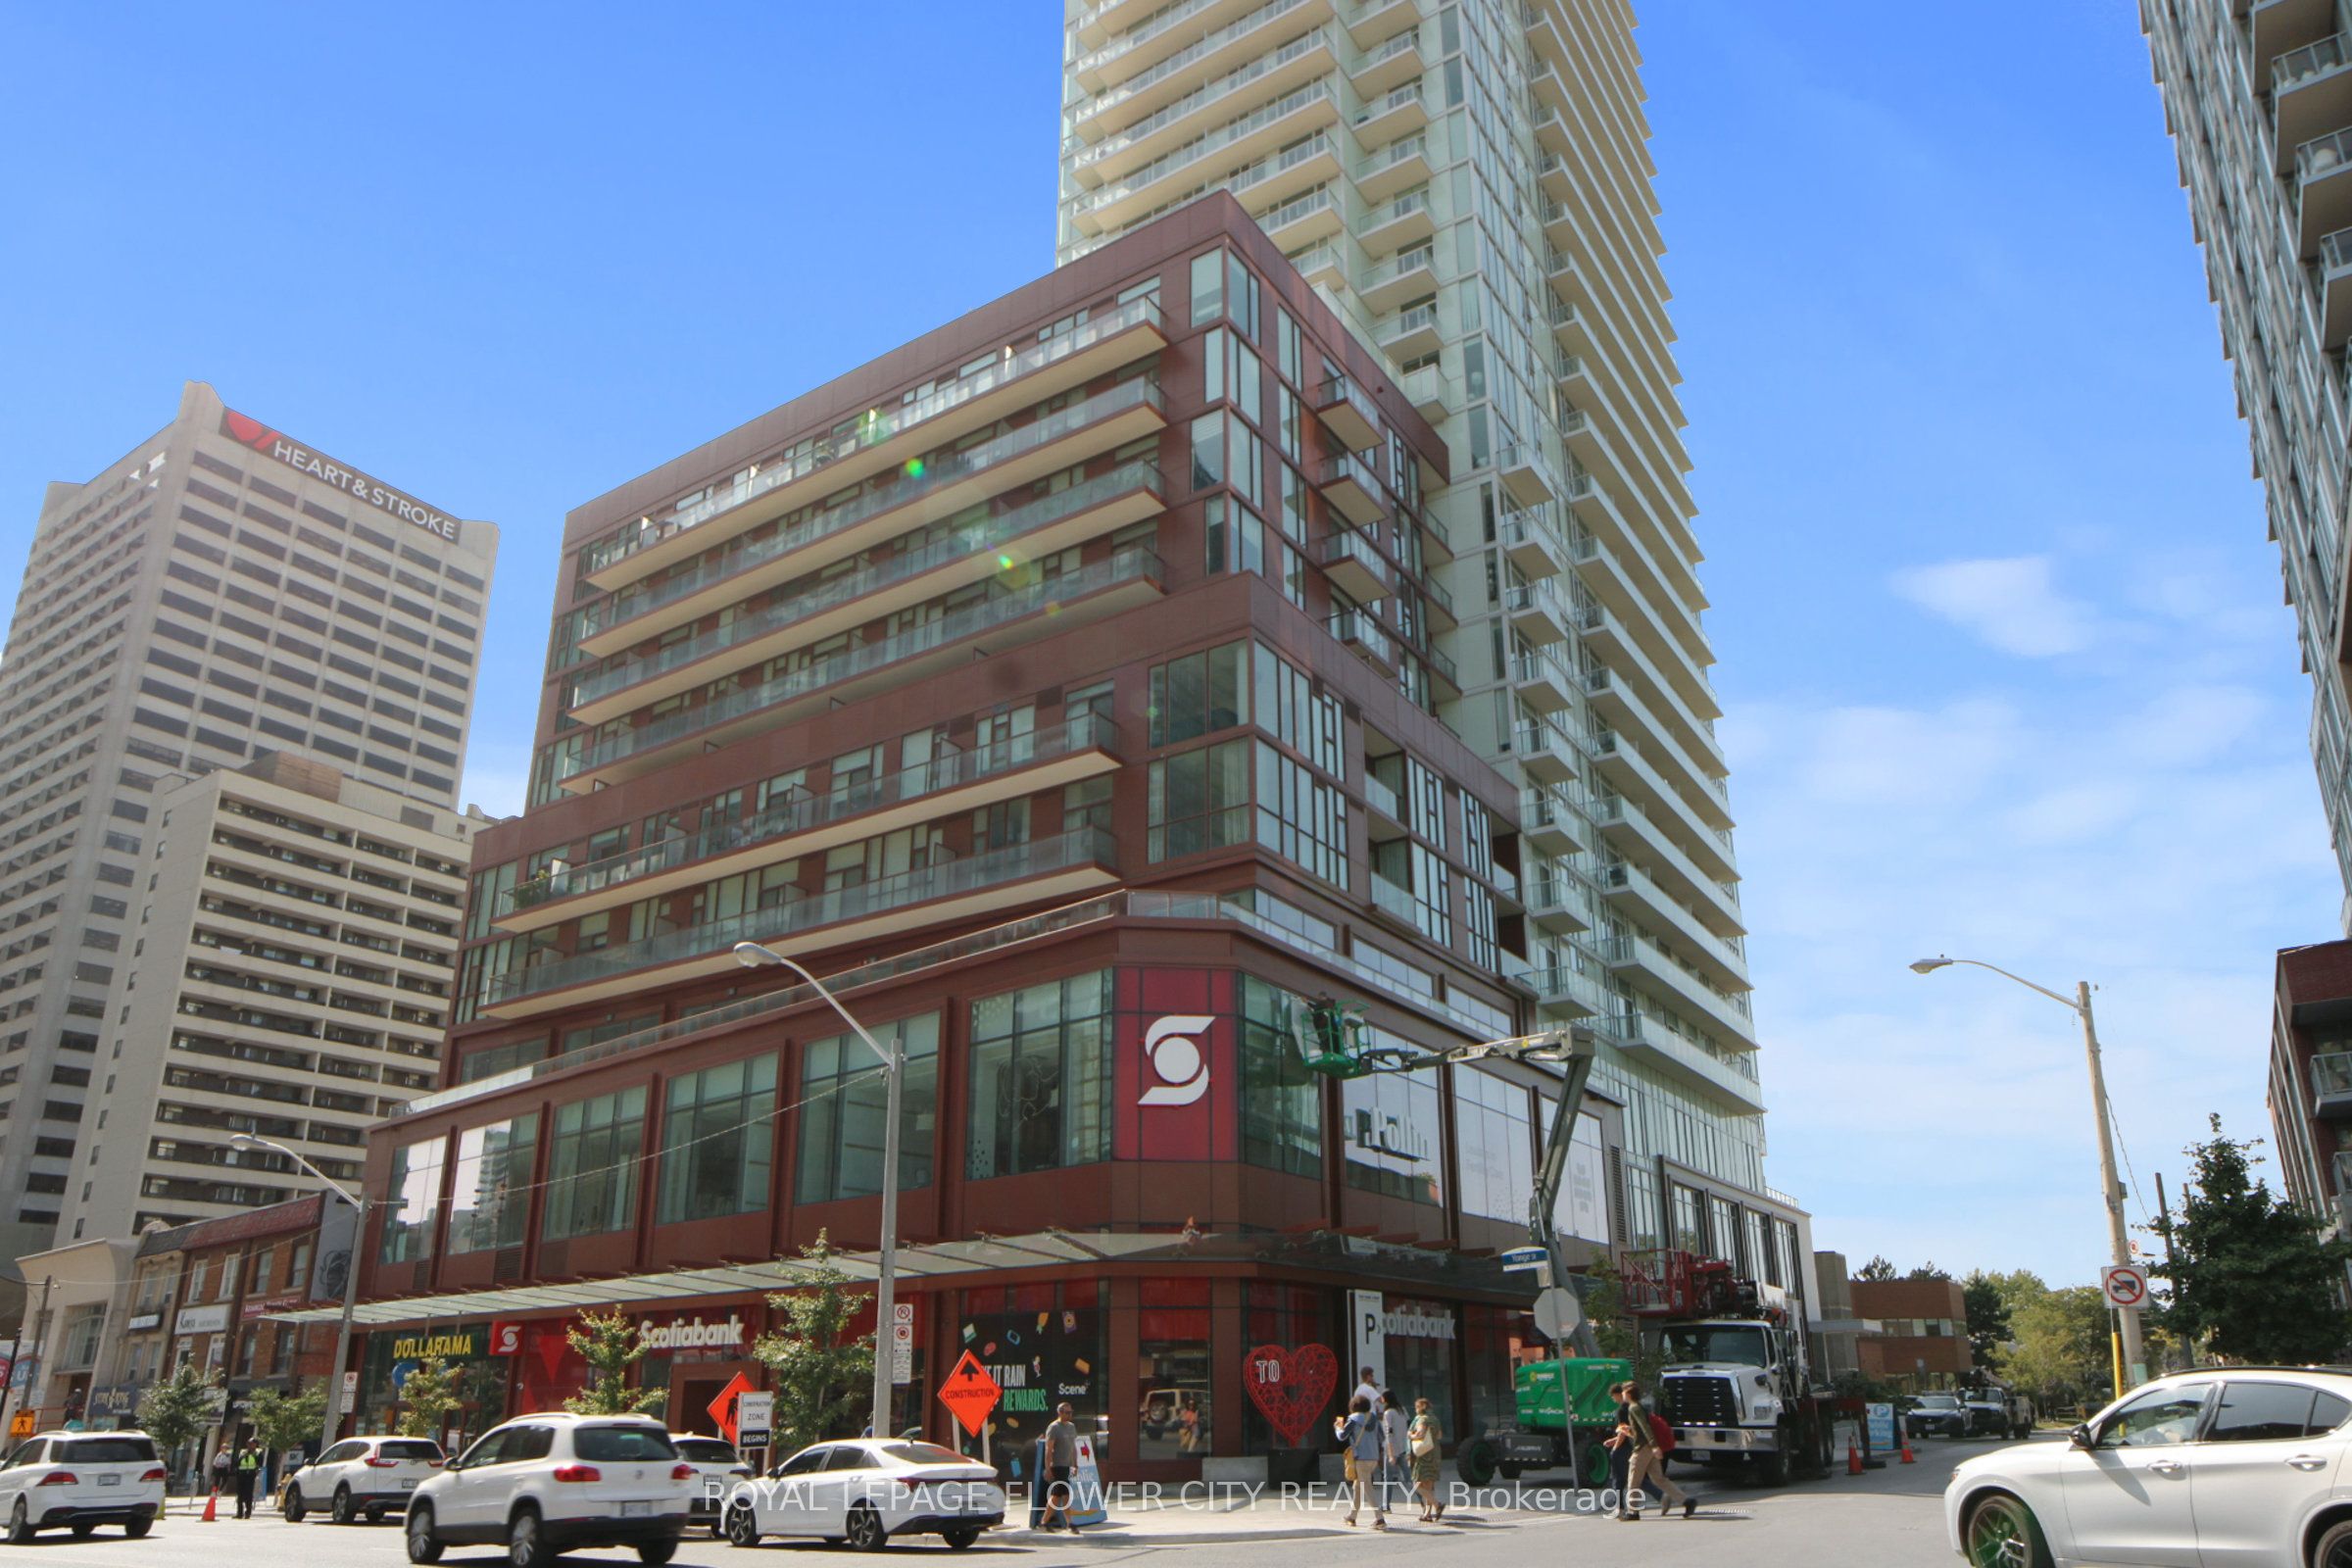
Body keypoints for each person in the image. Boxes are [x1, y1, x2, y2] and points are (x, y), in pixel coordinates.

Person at [1607, 1380, 1693, 1521]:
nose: (1622, 1394)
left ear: (1628, 1394)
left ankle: (1633, 1512)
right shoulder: (1640, 1407)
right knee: (1659, 1479)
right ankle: (1687, 1501)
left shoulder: (1633, 1408)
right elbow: (1641, 1428)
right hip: (1649, 1448)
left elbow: (1645, 1428)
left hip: (1642, 1448)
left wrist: (1654, 1446)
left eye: (1623, 1392)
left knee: (1633, 1481)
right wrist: (1630, 1431)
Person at [1333, 1395, 1387, 1530]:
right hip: (1374, 1457)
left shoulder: (1353, 1419)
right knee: (1358, 1487)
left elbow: (1342, 1436)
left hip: (1361, 1458)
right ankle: (1352, 1516)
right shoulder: (1373, 1418)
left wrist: (1338, 1428)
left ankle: (1379, 1519)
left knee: (1367, 1487)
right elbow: (1382, 1438)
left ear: (1353, 1406)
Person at [1041, 1402, 1081, 1533]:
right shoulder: (1054, 1427)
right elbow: (1049, 1449)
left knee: (1058, 1495)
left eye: (1071, 1412)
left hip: (1066, 1465)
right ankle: (1069, 1523)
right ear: (1060, 1413)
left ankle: (1045, 1522)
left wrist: (1075, 1464)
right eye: (1067, 1412)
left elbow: (1073, 1447)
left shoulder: (1071, 1427)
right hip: (1057, 1466)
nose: (1070, 1415)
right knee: (1064, 1494)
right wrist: (1048, 1468)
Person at [1406, 1396, 1445, 1523]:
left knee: (1417, 1485)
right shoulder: (1435, 1419)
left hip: (1423, 1455)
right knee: (1428, 1486)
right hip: (1435, 1453)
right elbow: (1439, 1435)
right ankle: (1427, 1514)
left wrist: (1410, 1435)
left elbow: (1420, 1434)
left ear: (1422, 1407)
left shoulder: (1422, 1419)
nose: (1415, 1410)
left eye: (1417, 1407)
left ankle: (1437, 1505)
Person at [1378, 1390, 1409, 1514]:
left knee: (1388, 1478)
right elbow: (1408, 1425)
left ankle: (1386, 1505)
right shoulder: (1402, 1410)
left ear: (1386, 1399)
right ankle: (1424, 1501)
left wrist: (1390, 1454)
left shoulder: (1388, 1413)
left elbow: (1389, 1433)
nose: (1381, 1400)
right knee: (1408, 1478)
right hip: (1403, 1447)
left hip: (1391, 1449)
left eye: (1382, 1397)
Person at [232, 1439, 261, 1519]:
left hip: (250, 1475)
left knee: (248, 1495)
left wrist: (256, 1471)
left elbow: (259, 1463)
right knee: (240, 1495)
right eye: (248, 1443)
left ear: (256, 1445)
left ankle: (248, 1513)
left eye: (252, 1444)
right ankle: (239, 1513)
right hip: (241, 1474)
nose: (250, 1445)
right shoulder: (243, 1452)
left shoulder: (257, 1453)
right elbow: (237, 1462)